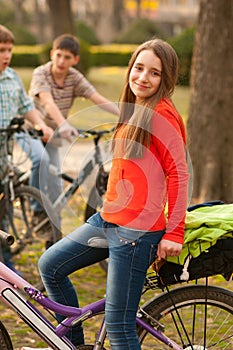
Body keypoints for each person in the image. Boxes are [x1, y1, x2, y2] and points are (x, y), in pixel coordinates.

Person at [21, 38, 189, 350]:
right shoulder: (135, 109)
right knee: (50, 266)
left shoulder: (162, 115)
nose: (143, 77)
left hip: (137, 233)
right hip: (108, 219)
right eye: (139, 68)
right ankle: (73, 345)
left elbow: (178, 173)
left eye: (154, 73)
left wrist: (174, 232)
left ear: (165, 79)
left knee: (118, 326)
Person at [16, 33, 119, 222]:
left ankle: (52, 226)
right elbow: (47, 103)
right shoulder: (42, 73)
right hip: (31, 129)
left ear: (75, 60)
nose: (62, 61)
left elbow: (97, 99)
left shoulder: (74, 77)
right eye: (59, 55)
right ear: (52, 54)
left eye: (67, 57)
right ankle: (37, 211)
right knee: (42, 160)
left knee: (56, 184)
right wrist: (64, 125)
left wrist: (124, 115)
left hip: (53, 135)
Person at [0, 25, 53, 270]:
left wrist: (40, 124)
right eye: (2, 50)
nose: (6, 56)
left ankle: (5, 256)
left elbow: (25, 106)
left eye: (9, 50)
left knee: (6, 202)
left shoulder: (12, 77)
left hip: (7, 149)